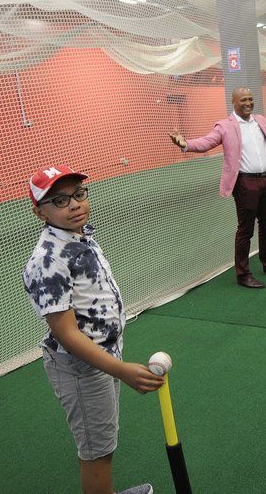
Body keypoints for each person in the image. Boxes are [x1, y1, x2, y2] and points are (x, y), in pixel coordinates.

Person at [22, 165, 163, 494]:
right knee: (96, 453)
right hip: (81, 367)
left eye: (79, 194)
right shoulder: (47, 261)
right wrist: (122, 370)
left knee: (104, 442)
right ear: (38, 211)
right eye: (59, 200)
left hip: (102, 357)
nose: (73, 204)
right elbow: (67, 334)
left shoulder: (81, 234)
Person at [169, 87, 266, 288]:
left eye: (250, 99)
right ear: (233, 102)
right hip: (244, 184)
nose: (248, 103)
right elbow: (207, 142)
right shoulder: (225, 126)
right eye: (243, 100)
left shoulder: (261, 121)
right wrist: (185, 144)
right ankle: (243, 274)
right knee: (246, 230)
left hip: (265, 181)